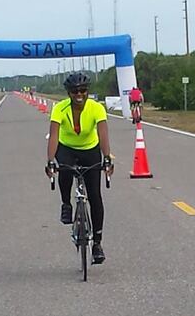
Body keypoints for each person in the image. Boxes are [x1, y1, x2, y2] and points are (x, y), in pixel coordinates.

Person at [45, 72, 114, 264]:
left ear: (87, 91)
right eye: (75, 91)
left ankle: (97, 244)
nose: (79, 94)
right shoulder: (59, 108)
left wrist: (107, 157)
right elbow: (53, 135)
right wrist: (50, 160)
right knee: (65, 170)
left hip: (89, 148)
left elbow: (103, 134)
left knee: (95, 196)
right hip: (66, 147)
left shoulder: (96, 108)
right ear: (68, 92)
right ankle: (66, 203)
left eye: (83, 90)